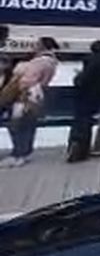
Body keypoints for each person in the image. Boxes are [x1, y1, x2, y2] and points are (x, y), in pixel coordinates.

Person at [2, 37, 59, 167]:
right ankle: (25, 152)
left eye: (37, 44)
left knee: (17, 125)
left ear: (43, 46)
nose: (34, 47)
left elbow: (27, 81)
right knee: (29, 124)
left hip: (25, 96)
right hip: (37, 96)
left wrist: (17, 76)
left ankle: (18, 153)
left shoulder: (39, 62)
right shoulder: (52, 62)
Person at [68, 40, 100, 162]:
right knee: (94, 123)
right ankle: (88, 148)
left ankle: (79, 149)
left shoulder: (91, 61)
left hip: (87, 96)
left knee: (82, 123)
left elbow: (83, 80)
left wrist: (77, 78)